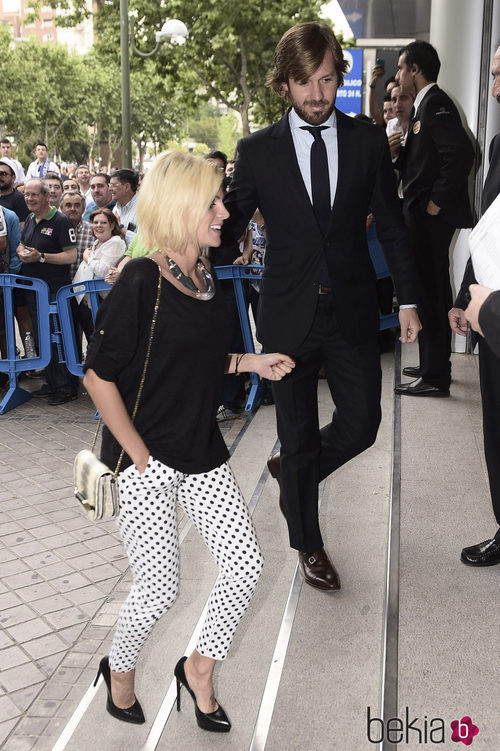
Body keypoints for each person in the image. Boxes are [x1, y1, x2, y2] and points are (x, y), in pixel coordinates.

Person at [83, 151, 294, 729]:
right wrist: (144, 459)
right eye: (213, 202)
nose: (225, 211)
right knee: (158, 587)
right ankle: (119, 671)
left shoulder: (205, 276)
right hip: (143, 456)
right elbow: (98, 378)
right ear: (180, 207)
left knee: (245, 565)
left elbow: (200, 358)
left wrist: (251, 362)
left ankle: (197, 668)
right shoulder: (141, 277)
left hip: (199, 447)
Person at [217, 22, 421, 591]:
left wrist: (408, 299)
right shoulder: (257, 151)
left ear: (340, 77)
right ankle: (308, 541)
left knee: (362, 425)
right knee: (299, 433)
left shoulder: (365, 140)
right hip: (286, 314)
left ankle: (294, 475)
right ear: (283, 84)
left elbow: (396, 228)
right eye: (304, 83)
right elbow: (231, 222)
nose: (317, 95)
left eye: (327, 80)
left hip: (352, 309)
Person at [393, 40, 474, 397]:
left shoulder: (436, 103)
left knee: (428, 292)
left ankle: (435, 375)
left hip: (430, 219)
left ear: (415, 69)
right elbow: (423, 163)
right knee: (433, 290)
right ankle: (434, 364)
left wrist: (436, 203)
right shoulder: (426, 106)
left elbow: (460, 153)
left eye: (400, 68)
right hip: (423, 217)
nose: (397, 75)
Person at [448, 43, 500, 567]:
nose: (495, 86)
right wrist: (467, 297)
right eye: (492, 73)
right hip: (494, 316)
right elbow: (487, 231)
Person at [18, 178, 79, 405]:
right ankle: (53, 382)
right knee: (45, 338)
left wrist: (41, 257)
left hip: (55, 292)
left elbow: (71, 256)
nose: (29, 199)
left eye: (34, 195)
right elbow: (26, 245)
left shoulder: (61, 221)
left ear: (46, 196)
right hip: (35, 292)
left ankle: (66, 387)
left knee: (58, 338)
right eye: (27, 195)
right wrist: (20, 249)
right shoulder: (31, 219)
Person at [72, 208, 125, 340]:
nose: (98, 226)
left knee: (98, 340)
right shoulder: (96, 243)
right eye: (95, 222)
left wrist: (87, 257)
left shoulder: (116, 242)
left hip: (101, 301)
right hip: (84, 299)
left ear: (112, 225)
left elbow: (102, 270)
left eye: (103, 223)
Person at [110, 169, 139, 247]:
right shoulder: (116, 208)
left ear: (127, 187)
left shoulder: (143, 208)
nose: (110, 189)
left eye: (113, 185)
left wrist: (120, 228)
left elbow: (142, 244)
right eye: (110, 185)